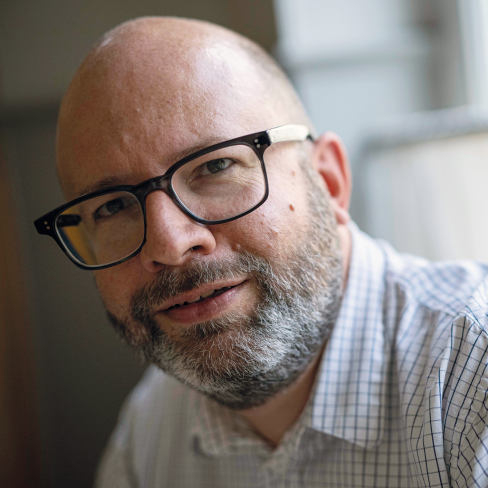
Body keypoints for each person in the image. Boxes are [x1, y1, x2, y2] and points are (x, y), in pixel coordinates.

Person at [34, 17, 488, 488]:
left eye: (216, 166)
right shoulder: (150, 428)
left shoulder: (473, 377)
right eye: (112, 207)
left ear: (328, 181)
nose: (169, 245)